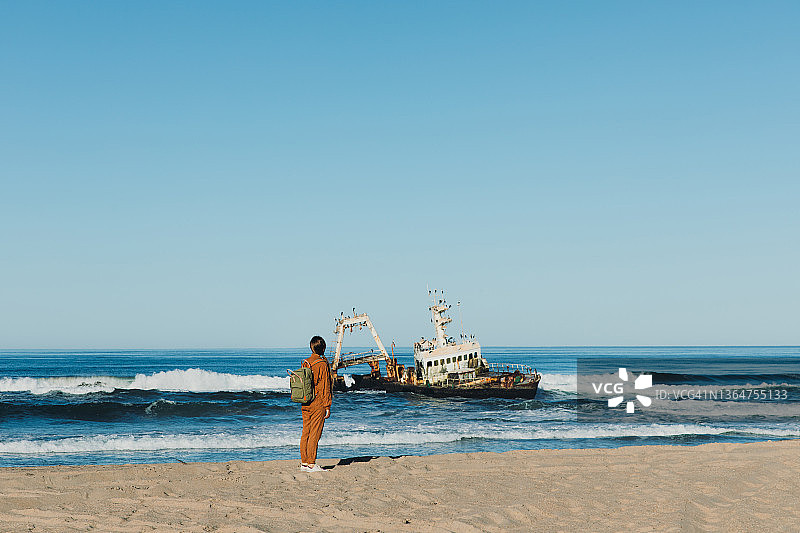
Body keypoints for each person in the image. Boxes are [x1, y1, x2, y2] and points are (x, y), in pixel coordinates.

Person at [299, 335, 332, 472]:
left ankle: (304, 463)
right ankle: (311, 464)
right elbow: (325, 386)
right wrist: (327, 405)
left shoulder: (305, 362)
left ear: (311, 348)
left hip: (305, 401)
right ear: (323, 348)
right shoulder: (322, 364)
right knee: (315, 433)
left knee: (306, 432)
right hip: (318, 402)